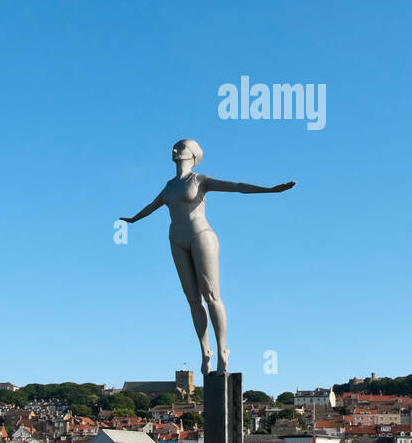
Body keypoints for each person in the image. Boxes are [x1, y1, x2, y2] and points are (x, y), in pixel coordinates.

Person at [120, 139, 294, 373]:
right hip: (176, 240)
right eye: (174, 147)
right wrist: (133, 219)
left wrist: (270, 190)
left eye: (180, 148)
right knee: (193, 300)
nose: (174, 151)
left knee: (211, 296)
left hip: (201, 236)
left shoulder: (199, 180)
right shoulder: (169, 186)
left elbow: (238, 186)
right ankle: (205, 352)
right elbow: (152, 206)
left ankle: (223, 350)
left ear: (192, 153)